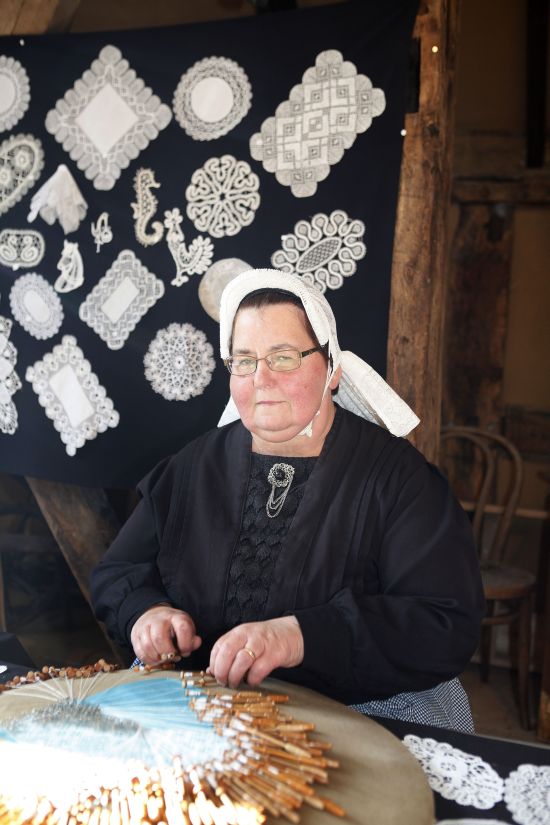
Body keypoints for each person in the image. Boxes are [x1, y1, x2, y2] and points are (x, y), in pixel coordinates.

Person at [91, 269, 485, 732]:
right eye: (244, 360)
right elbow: (119, 571)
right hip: (205, 705)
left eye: (283, 357)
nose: (262, 378)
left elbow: (443, 621)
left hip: (362, 713)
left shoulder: (398, 480)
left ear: (332, 370)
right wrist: (147, 613)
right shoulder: (191, 468)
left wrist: (299, 636)